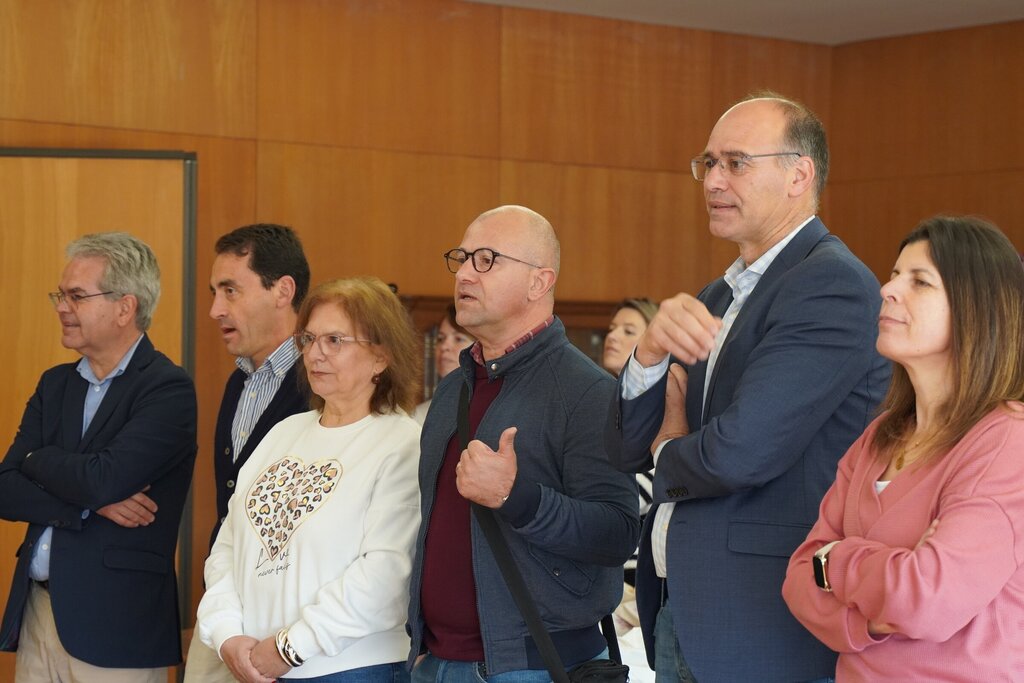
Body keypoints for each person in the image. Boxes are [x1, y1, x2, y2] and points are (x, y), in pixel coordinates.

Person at [606, 92, 891, 682]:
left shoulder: (831, 285)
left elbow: (740, 452)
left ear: (799, 175)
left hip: (761, 620)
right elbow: (624, 447)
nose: (713, 180)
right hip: (682, 607)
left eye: (736, 163)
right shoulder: (718, 295)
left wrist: (667, 446)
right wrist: (649, 353)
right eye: (708, 163)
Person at [783, 216, 1024, 681]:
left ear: (977, 309)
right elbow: (797, 579)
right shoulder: (879, 436)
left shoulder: (1008, 438)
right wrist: (870, 620)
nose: (888, 290)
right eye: (894, 275)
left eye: (920, 281)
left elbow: (928, 601)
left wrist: (836, 559)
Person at [407, 205, 640, 682]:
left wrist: (516, 497)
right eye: (462, 258)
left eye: (486, 260)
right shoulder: (452, 391)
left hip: (532, 666)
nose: (465, 274)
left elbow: (618, 532)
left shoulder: (587, 391)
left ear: (539, 282)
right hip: (434, 662)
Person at [198, 276, 422, 683]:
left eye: (335, 340)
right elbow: (228, 545)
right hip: (255, 663)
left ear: (381, 357)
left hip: (350, 669)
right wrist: (226, 631)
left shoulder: (401, 442)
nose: (315, 354)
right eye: (309, 339)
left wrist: (292, 646)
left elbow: (388, 575)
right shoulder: (282, 433)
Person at [0, 232, 197, 682]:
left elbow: (103, 479)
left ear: (125, 308)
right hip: (38, 612)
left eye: (76, 296)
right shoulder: (55, 383)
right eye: (60, 295)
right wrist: (90, 504)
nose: (61, 307)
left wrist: (35, 458)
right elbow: (5, 487)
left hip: (117, 626)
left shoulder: (167, 388)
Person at [183, 223, 312, 682]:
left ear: (283, 291)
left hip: (288, 625)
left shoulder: (321, 385)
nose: (216, 309)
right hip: (223, 611)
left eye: (231, 291)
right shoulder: (238, 382)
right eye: (214, 292)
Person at [412, 303, 475, 424]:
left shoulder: (493, 409)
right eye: (441, 339)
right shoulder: (419, 417)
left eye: (458, 339)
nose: (444, 347)